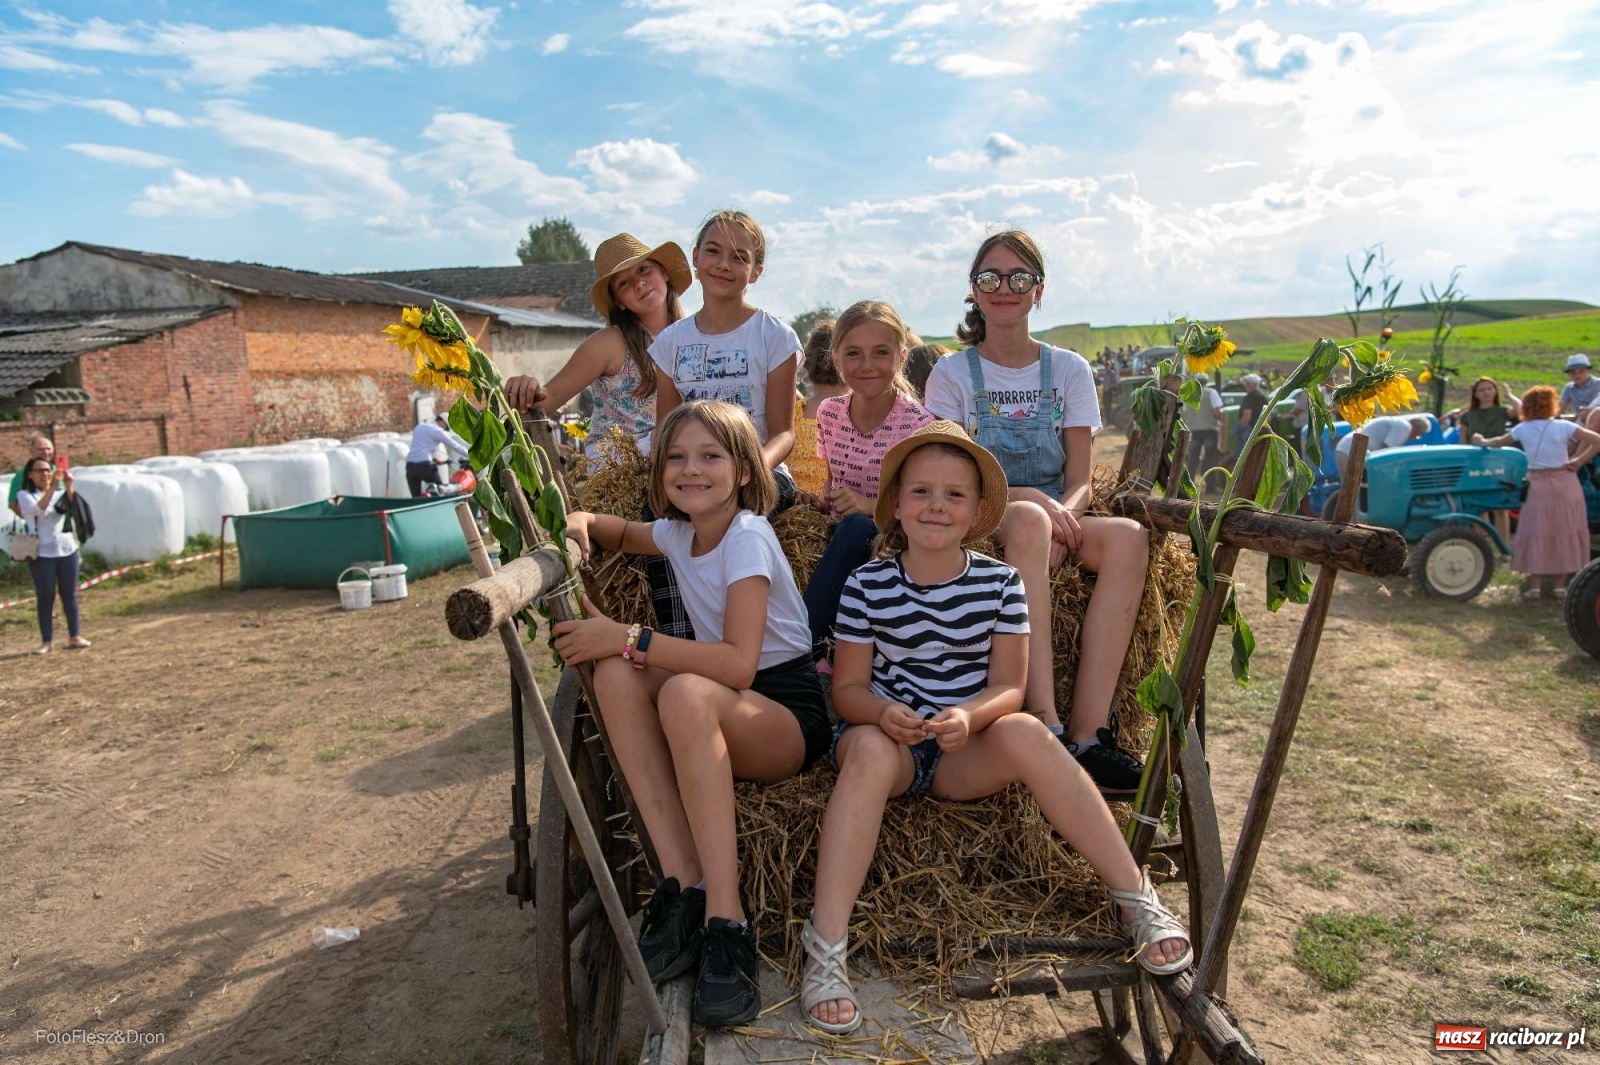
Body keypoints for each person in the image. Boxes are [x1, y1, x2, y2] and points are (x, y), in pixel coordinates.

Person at [799, 423, 1191, 1034]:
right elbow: (847, 691)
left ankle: (1133, 896)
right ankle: (825, 945)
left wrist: (968, 716)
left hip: (962, 750)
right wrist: (881, 713)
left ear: (980, 511)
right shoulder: (867, 584)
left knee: (1030, 733)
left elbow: (1010, 686)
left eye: (954, 495)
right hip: (888, 743)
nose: (936, 506)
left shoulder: (1000, 582)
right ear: (896, 504)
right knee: (869, 751)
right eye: (921, 492)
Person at [553, 400, 830, 1028]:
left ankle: (727, 922)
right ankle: (683, 886)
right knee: (619, 675)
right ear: (658, 475)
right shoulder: (680, 534)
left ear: (742, 471)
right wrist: (579, 520)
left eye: (710, 456)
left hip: (784, 715)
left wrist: (626, 635)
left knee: (669, 683)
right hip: (723, 701)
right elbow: (621, 532)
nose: (690, 469)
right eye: (675, 458)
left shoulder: (749, 537)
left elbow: (736, 665)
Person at [924, 229, 1150, 794]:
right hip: (978, 514)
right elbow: (953, 478)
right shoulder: (952, 374)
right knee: (1026, 522)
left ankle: (1090, 734)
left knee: (1127, 537)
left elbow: (1079, 477)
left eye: (1019, 278)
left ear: (1038, 291)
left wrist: (1065, 514)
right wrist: (1036, 506)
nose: (1005, 288)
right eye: (990, 278)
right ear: (973, 292)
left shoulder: (1068, 368)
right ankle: (1043, 719)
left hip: (1054, 511)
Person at [802, 301, 934, 662]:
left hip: (894, 538)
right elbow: (830, 478)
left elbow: (924, 503)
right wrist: (820, 500)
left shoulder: (918, 426)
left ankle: (804, 643)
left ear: (902, 354)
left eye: (881, 353)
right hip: (840, 533)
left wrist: (867, 506)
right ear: (836, 357)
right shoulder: (829, 413)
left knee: (859, 526)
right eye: (854, 353)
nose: (867, 365)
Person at [650, 210, 801, 507]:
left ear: (756, 271)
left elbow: (783, 433)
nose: (723, 264)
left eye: (739, 257)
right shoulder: (670, 342)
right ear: (695, 257)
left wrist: (750, 471)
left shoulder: (775, 337)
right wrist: (666, 473)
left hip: (760, 474)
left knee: (736, 517)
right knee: (656, 521)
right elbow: (665, 427)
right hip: (693, 473)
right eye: (713, 251)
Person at [504, 232, 692, 448]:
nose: (639, 284)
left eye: (643, 269)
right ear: (619, 302)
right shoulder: (610, 343)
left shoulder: (694, 335)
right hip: (624, 468)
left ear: (664, 272)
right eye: (624, 283)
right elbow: (549, 397)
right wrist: (526, 388)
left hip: (681, 460)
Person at [1473, 386, 1600, 600]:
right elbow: (1597, 439)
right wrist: (1579, 460)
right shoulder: (1563, 426)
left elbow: (1497, 443)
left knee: (1537, 531)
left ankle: (1535, 586)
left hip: (1538, 483)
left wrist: (1480, 440)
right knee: (1565, 530)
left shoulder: (1523, 428)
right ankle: (1560, 585)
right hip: (1565, 482)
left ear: (1528, 406)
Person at [15, 456, 91, 655]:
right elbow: (37, 509)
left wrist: (69, 486)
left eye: (48, 470)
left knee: (70, 594)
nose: (45, 474)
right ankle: (46, 641)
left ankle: (74, 635)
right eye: (40, 471)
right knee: (46, 595)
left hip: (66, 549)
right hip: (41, 552)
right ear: (30, 475)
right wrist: (53, 487)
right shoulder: (24, 495)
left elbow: (75, 509)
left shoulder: (59, 492)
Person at [1456, 378, 1520, 542]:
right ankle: (1483, 543)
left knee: (1500, 507)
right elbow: (1463, 443)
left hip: (1498, 461)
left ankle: (1503, 545)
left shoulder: (1503, 411)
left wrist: (1509, 395)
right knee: (1479, 506)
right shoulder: (1467, 416)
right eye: (1482, 390)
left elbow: (1521, 409)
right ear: (1475, 394)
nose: (1486, 392)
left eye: (1490, 388)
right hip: (1475, 463)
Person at [791, 320, 842, 501]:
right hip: (840, 509)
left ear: (807, 363)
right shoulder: (860, 415)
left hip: (793, 511)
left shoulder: (792, 413)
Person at [1334, 414, 1429, 479]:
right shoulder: (1404, 427)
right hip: (1352, 452)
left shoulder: (1398, 423)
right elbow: (1387, 451)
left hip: (1347, 449)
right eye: (1417, 436)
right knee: (1355, 490)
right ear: (1417, 431)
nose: (1414, 438)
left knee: (1350, 489)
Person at [404, 414, 469, 497]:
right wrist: (471, 456)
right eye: (446, 428)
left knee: (415, 497)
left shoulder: (419, 427)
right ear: (442, 422)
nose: (444, 430)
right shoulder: (437, 431)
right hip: (425, 466)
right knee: (441, 491)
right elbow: (455, 446)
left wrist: (434, 460)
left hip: (410, 466)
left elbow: (422, 446)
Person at [1183, 372, 1226, 491]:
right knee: (1210, 458)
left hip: (1194, 430)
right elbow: (1217, 412)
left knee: (1192, 459)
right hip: (1210, 430)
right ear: (1206, 381)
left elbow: (1185, 412)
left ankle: (1189, 483)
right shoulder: (1212, 393)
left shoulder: (1190, 394)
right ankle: (1210, 486)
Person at [8, 432, 54, 516]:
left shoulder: (57, 471)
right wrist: (30, 517)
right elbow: (12, 504)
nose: (46, 452)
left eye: (48, 449)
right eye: (41, 449)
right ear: (31, 451)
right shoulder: (21, 475)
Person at [1230, 373, 1268, 465]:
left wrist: (1241, 429)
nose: (1245, 385)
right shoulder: (1263, 397)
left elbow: (1247, 415)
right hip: (1258, 429)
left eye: (1246, 383)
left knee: (1242, 456)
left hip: (1248, 429)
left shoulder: (1249, 397)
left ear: (1251, 384)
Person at [1560, 353, 1600, 431]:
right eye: (1573, 373)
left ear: (1589, 371)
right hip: (1580, 422)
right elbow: (1560, 408)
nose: (1577, 375)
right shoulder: (1569, 388)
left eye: (1581, 371)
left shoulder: (1598, 384)